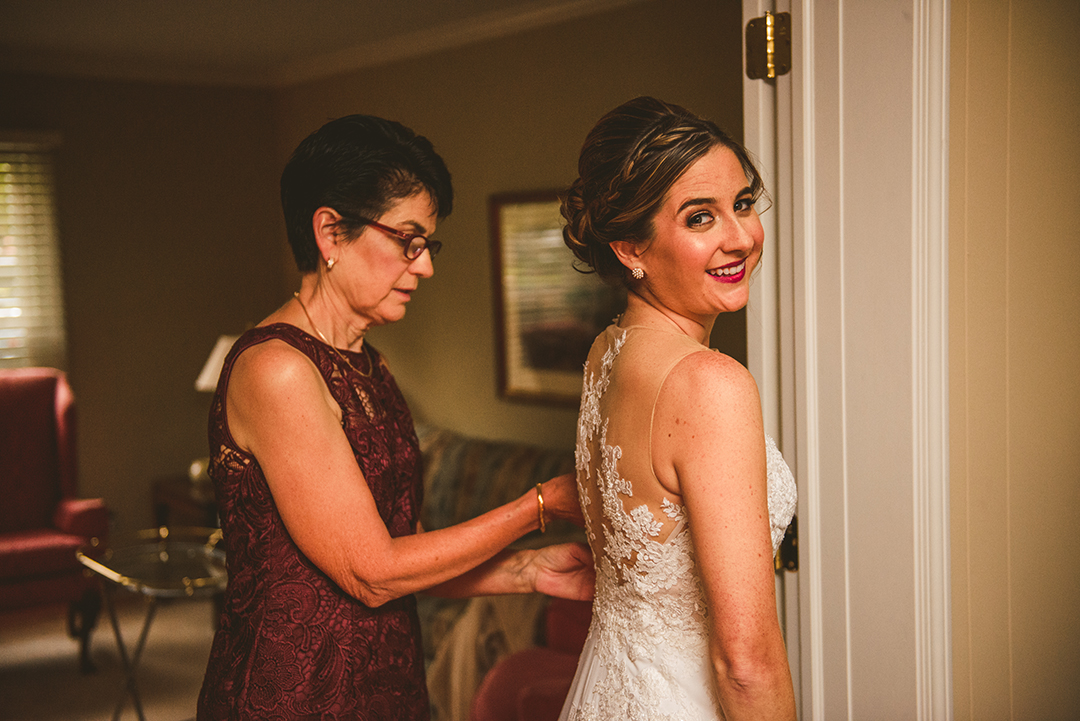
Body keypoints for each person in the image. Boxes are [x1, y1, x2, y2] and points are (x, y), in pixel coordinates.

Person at [196, 114, 592, 720]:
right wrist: (536, 507)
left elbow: (393, 553)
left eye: (428, 244)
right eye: (407, 240)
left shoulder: (369, 365)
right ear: (330, 233)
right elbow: (370, 572)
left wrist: (523, 571)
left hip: (388, 684)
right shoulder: (274, 370)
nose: (426, 266)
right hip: (298, 696)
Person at [556, 97, 798, 721]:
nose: (741, 237)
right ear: (630, 248)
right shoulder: (710, 384)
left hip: (606, 690)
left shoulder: (606, 353)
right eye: (700, 218)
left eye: (743, 205)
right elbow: (745, 661)